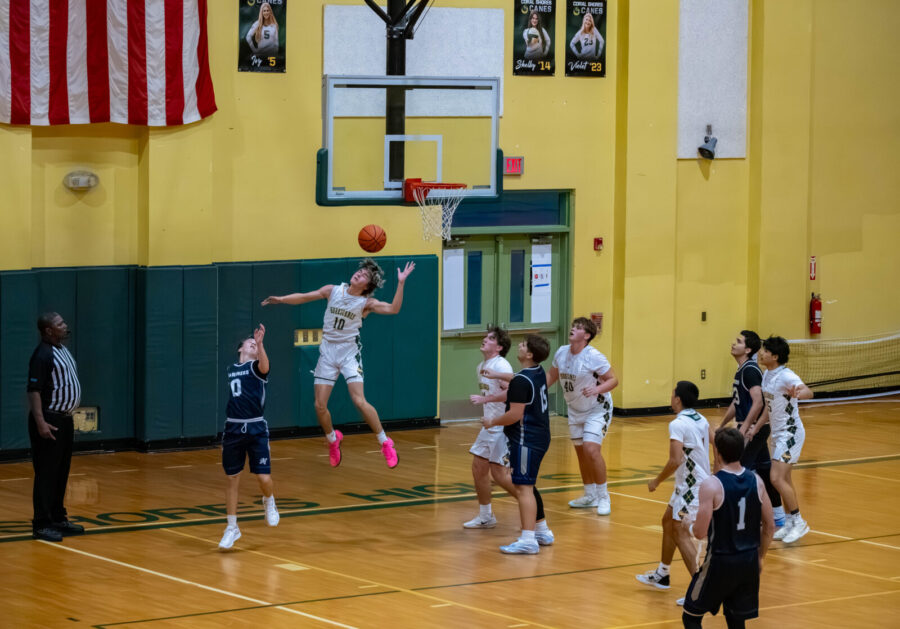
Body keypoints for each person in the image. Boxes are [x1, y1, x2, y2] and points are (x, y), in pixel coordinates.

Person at [262, 258, 415, 468]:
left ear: (367, 286)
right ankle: (333, 440)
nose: (359, 274)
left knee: (359, 401)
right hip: (327, 353)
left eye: (364, 276)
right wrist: (281, 299)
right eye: (359, 271)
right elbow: (305, 297)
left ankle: (385, 442)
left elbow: (394, 309)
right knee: (319, 405)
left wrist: (401, 283)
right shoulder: (332, 290)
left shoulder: (366, 303)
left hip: (349, 353)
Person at [682, 427, 775, 628]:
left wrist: (688, 524)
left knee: (691, 615)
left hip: (720, 562)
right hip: (748, 560)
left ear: (718, 453)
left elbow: (699, 532)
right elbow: (769, 526)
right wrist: (760, 557)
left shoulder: (712, 485)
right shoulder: (757, 481)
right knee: (736, 619)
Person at [636, 381, 711, 599]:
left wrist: (656, 481)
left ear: (677, 399)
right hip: (687, 484)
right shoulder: (700, 418)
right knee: (668, 521)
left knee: (680, 532)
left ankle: (699, 591)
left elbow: (675, 460)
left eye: (672, 394)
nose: (671, 397)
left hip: (691, 487)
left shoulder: (678, 424)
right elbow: (713, 441)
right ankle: (663, 574)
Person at [481, 335, 554, 554]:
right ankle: (540, 531)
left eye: (523, 345)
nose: (519, 346)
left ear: (529, 354)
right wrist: (497, 375)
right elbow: (517, 378)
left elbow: (514, 414)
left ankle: (528, 539)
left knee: (523, 488)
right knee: (527, 486)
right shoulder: (537, 371)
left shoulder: (522, 381)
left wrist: (491, 421)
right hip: (540, 435)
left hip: (526, 438)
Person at [547, 317, 618, 515]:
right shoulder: (561, 352)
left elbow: (613, 380)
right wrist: (533, 391)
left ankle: (604, 496)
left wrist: (597, 389)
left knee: (591, 449)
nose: (572, 329)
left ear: (586, 336)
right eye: (573, 326)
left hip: (598, 408)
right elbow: (550, 377)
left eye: (577, 328)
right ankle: (590, 495)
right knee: (581, 453)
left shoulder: (593, 356)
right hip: (575, 408)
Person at [718, 331, 786, 533]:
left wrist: (745, 428)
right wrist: (722, 424)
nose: (733, 343)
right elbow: (736, 402)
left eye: (738, 341)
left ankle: (743, 518)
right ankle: (778, 516)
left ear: (748, 349)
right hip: (752, 427)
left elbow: (759, 401)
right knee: (764, 471)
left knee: (739, 471)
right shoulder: (742, 370)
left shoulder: (750, 370)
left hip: (754, 429)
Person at [219, 324, 279, 550]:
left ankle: (269, 500)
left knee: (263, 478)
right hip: (233, 428)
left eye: (256, 344)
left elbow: (265, 365)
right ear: (240, 348)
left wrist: (261, 343)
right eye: (251, 343)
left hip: (255, 428)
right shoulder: (231, 369)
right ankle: (232, 527)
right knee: (232, 478)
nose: (254, 344)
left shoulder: (257, 367)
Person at [27, 312, 84, 542]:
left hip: (65, 419)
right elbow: (34, 391)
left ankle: (58, 517)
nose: (65, 325)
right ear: (49, 330)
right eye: (60, 324)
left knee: (61, 472)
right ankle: (41, 524)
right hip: (49, 420)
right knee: (46, 474)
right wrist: (41, 422)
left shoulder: (62, 349)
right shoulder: (42, 354)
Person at [750, 336, 813, 544]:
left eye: (765, 351)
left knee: (775, 478)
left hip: (791, 433)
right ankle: (789, 523)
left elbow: (808, 392)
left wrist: (800, 392)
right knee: (784, 479)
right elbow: (769, 408)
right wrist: (756, 428)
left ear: (775, 356)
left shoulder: (787, 376)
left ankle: (799, 521)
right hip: (777, 434)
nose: (761, 353)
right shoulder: (767, 374)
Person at [463, 327, 517, 529]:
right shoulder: (481, 366)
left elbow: (513, 394)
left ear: (500, 347)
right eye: (486, 336)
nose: (485, 339)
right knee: (478, 468)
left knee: (500, 475)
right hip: (490, 425)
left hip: (503, 426)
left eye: (491, 338)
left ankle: (532, 507)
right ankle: (486, 516)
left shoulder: (501, 365)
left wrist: (485, 399)